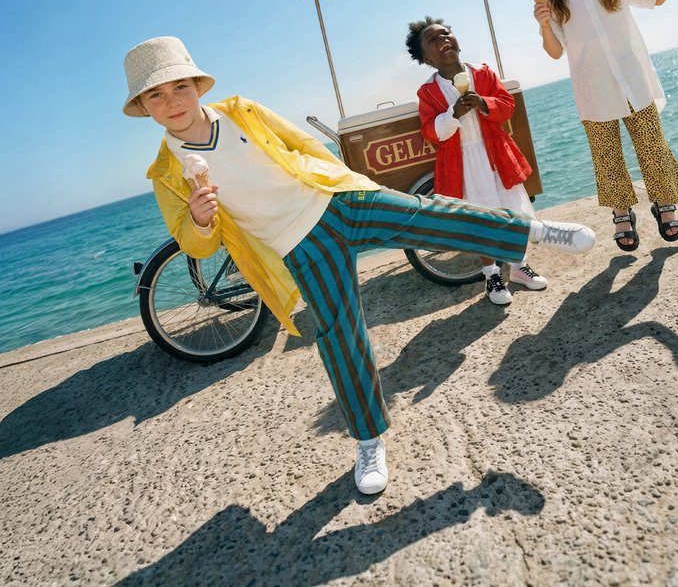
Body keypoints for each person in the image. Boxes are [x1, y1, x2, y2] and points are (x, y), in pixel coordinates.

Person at [122, 36, 596, 495]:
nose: (173, 101)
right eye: (157, 95)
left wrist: (347, 181)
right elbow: (194, 243)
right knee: (340, 335)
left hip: (339, 199)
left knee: (428, 215)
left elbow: (304, 146)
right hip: (299, 246)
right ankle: (369, 442)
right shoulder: (166, 173)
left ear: (197, 85)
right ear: (144, 108)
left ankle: (533, 231)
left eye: (179, 86)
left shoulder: (242, 112)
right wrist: (202, 221)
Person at [532, 0, 678, 250]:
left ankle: (664, 203)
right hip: (593, 92)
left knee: (653, 147)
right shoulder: (554, 1)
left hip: (633, 81)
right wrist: (543, 25)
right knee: (607, 156)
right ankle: (622, 213)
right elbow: (554, 52)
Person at [408, 17, 548, 305]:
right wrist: (454, 113)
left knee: (512, 210)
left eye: (446, 33)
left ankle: (519, 266)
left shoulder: (482, 73)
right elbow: (431, 132)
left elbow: (506, 106)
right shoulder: (429, 92)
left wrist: (484, 103)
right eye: (433, 40)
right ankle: (491, 274)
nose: (443, 40)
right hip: (463, 163)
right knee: (479, 216)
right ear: (426, 58)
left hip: (494, 154)